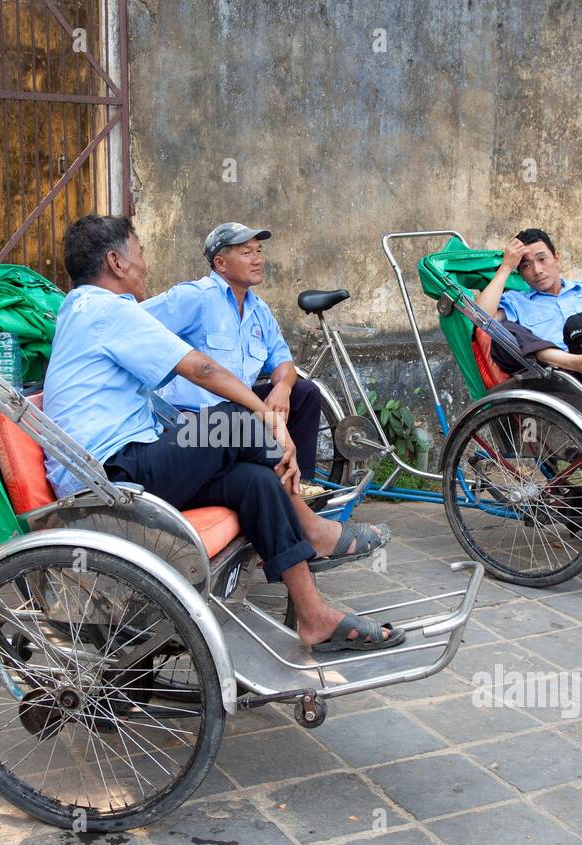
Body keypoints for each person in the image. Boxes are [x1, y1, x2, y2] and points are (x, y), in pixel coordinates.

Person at [41, 214, 399, 653]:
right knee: (230, 420)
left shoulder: (86, 308)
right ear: (116, 261)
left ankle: (314, 616)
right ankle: (314, 529)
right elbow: (201, 368)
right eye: (140, 251)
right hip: (110, 476)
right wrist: (268, 424)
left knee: (256, 482)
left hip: (132, 461)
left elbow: (274, 365)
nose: (144, 263)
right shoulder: (103, 308)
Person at [140, 222, 325, 482]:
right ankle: (277, 485)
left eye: (258, 251)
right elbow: (135, 325)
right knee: (242, 426)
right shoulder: (195, 297)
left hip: (241, 411)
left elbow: (283, 360)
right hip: (193, 420)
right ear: (221, 263)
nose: (257, 259)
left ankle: (302, 484)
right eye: (246, 252)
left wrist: (282, 388)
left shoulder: (259, 310)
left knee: (305, 392)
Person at [473, 228, 582, 428]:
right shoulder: (517, 302)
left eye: (542, 259)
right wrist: (506, 267)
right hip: (562, 387)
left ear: (557, 258)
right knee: (505, 330)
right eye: (526, 265)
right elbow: (481, 318)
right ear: (521, 273)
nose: (537, 270)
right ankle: (575, 361)